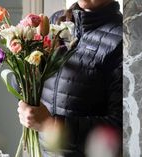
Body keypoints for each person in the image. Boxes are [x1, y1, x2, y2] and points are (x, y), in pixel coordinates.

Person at [17, 0, 122, 156]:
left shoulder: (122, 40)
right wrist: (21, 73)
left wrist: (51, 125)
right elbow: (35, 81)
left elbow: (121, 128)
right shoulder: (55, 22)